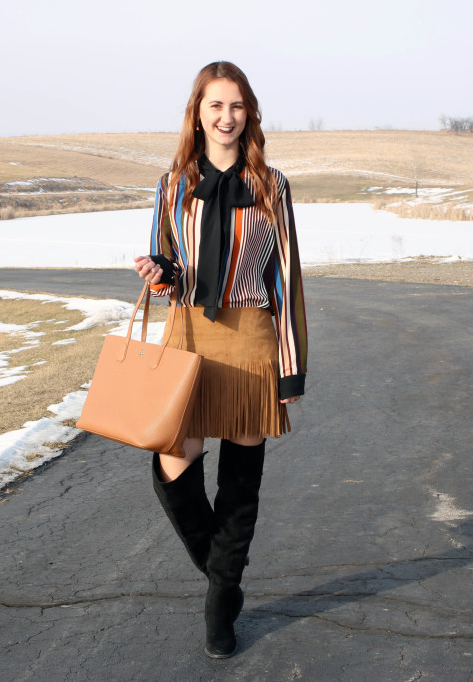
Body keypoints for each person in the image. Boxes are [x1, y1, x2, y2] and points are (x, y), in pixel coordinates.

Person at [133, 61, 308, 659]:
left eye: (236, 106)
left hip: (252, 336)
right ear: (198, 112)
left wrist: (290, 367)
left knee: (240, 483)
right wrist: (158, 275)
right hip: (187, 334)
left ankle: (218, 604)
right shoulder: (172, 183)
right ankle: (223, 577)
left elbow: (285, 279)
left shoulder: (271, 185)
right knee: (173, 458)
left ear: (249, 112)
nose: (226, 116)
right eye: (216, 105)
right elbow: (167, 263)